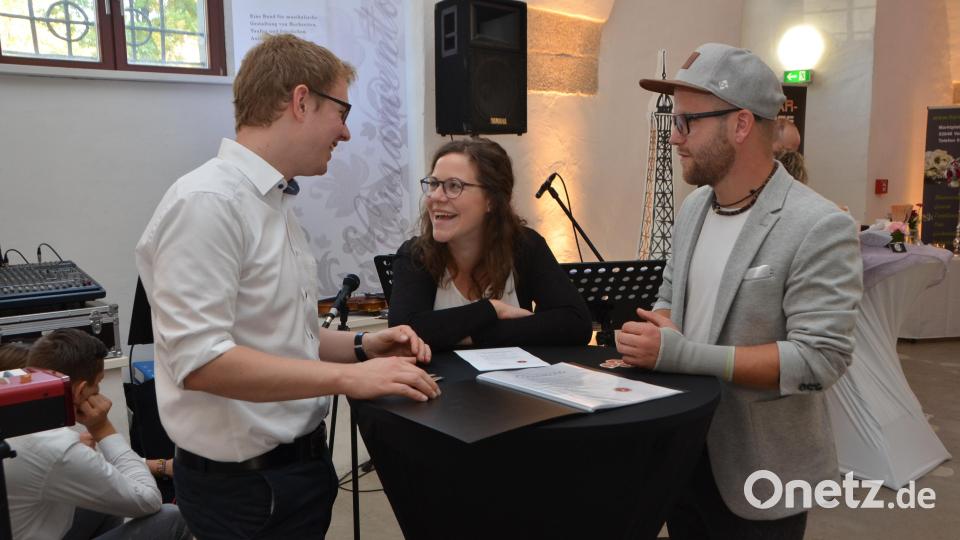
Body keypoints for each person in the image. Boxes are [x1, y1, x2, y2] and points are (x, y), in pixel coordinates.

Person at [134, 34, 439, 539]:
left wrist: (364, 346)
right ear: (301, 101)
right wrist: (347, 380)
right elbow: (202, 362)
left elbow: (282, 338)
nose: (345, 131)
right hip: (245, 491)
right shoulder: (208, 203)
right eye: (341, 111)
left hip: (293, 473)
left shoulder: (272, 204)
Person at [630, 43, 862, 538]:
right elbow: (670, 298)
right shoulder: (694, 209)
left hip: (762, 471)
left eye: (687, 122)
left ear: (739, 125)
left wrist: (683, 355)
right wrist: (657, 329)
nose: (674, 136)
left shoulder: (817, 225)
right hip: (684, 455)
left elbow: (819, 360)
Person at [388, 138, 593, 350]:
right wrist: (493, 309)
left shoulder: (525, 246)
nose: (435, 197)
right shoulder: (415, 254)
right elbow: (403, 334)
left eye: (454, 186)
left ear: (492, 200)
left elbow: (576, 323)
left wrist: (475, 336)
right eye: (433, 184)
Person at [4, 329, 190, 540]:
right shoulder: (55, 447)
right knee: (171, 518)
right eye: (98, 383)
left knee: (104, 499)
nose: (99, 393)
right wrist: (102, 428)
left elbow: (96, 473)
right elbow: (148, 500)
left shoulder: (21, 423)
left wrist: (159, 466)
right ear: (80, 391)